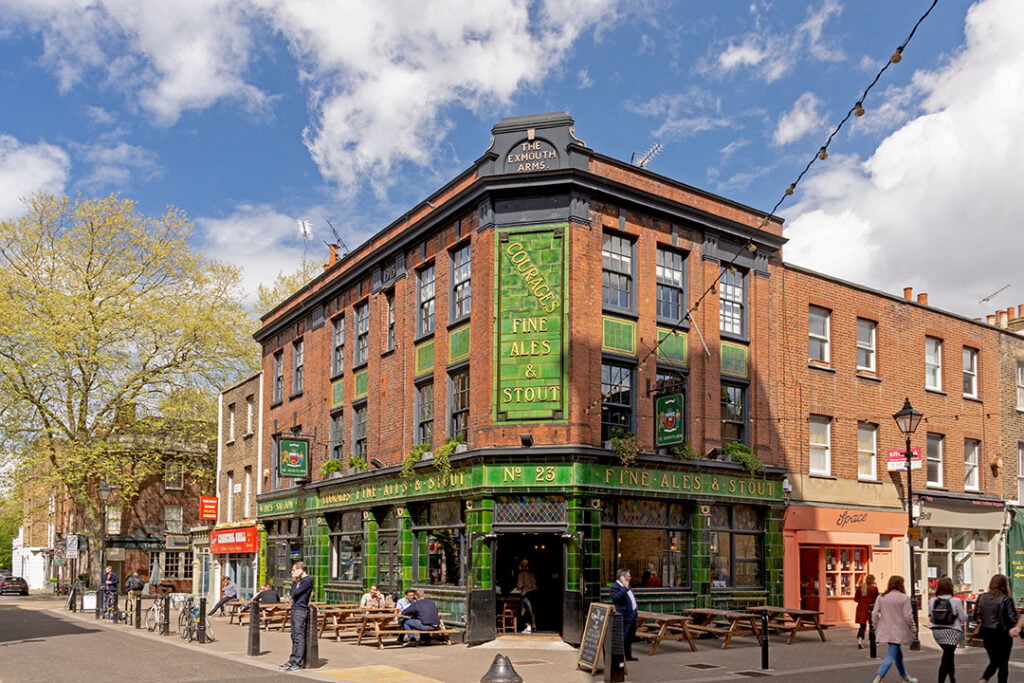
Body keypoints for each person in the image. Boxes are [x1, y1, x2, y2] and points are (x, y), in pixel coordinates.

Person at [870, 575, 918, 683]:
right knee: (891, 655)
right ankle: (878, 677)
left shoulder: (881, 597)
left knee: (898, 655)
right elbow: (908, 616)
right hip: (899, 630)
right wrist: (913, 628)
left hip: (885, 629)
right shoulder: (904, 598)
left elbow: (874, 613)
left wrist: (876, 625)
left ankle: (905, 677)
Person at [974, 573, 1017, 683]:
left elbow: (975, 616)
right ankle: (986, 678)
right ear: (1004, 585)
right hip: (1002, 634)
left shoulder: (982, 597)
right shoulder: (1006, 599)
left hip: (987, 633)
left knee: (995, 660)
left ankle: (984, 678)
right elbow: (1013, 619)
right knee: (1003, 663)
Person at [928, 575, 968, 683]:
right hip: (952, 631)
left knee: (949, 655)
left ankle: (952, 679)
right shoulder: (956, 601)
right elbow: (963, 618)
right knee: (947, 657)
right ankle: (941, 680)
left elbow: (930, 616)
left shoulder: (932, 601)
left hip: (937, 632)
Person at [281, 561, 313, 671]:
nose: (292, 573)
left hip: (300, 610)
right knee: (294, 635)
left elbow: (294, 593)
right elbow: (293, 593)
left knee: (299, 636)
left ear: (300, 570)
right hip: (295, 608)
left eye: (294, 570)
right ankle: (292, 659)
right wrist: (296, 582)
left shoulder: (307, 581)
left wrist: (294, 581)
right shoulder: (301, 581)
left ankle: (297, 662)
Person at [609, 568, 638, 662]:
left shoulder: (627, 586)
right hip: (624, 615)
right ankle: (619, 658)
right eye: (628, 576)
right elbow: (616, 598)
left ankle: (628, 656)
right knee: (622, 637)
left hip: (632, 615)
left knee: (630, 637)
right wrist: (625, 588)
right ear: (622, 577)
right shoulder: (615, 587)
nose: (630, 578)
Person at [854, 574, 879, 649]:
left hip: (861, 608)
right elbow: (877, 599)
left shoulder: (859, 588)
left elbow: (855, 599)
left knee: (862, 626)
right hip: (870, 608)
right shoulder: (874, 588)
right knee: (872, 625)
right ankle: (873, 641)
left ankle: (860, 641)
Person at [515, 558, 538, 634]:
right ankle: (534, 626)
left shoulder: (521, 574)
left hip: (526, 595)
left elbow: (520, 585)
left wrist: (518, 588)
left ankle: (528, 627)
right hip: (534, 593)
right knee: (533, 610)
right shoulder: (532, 574)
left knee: (525, 610)